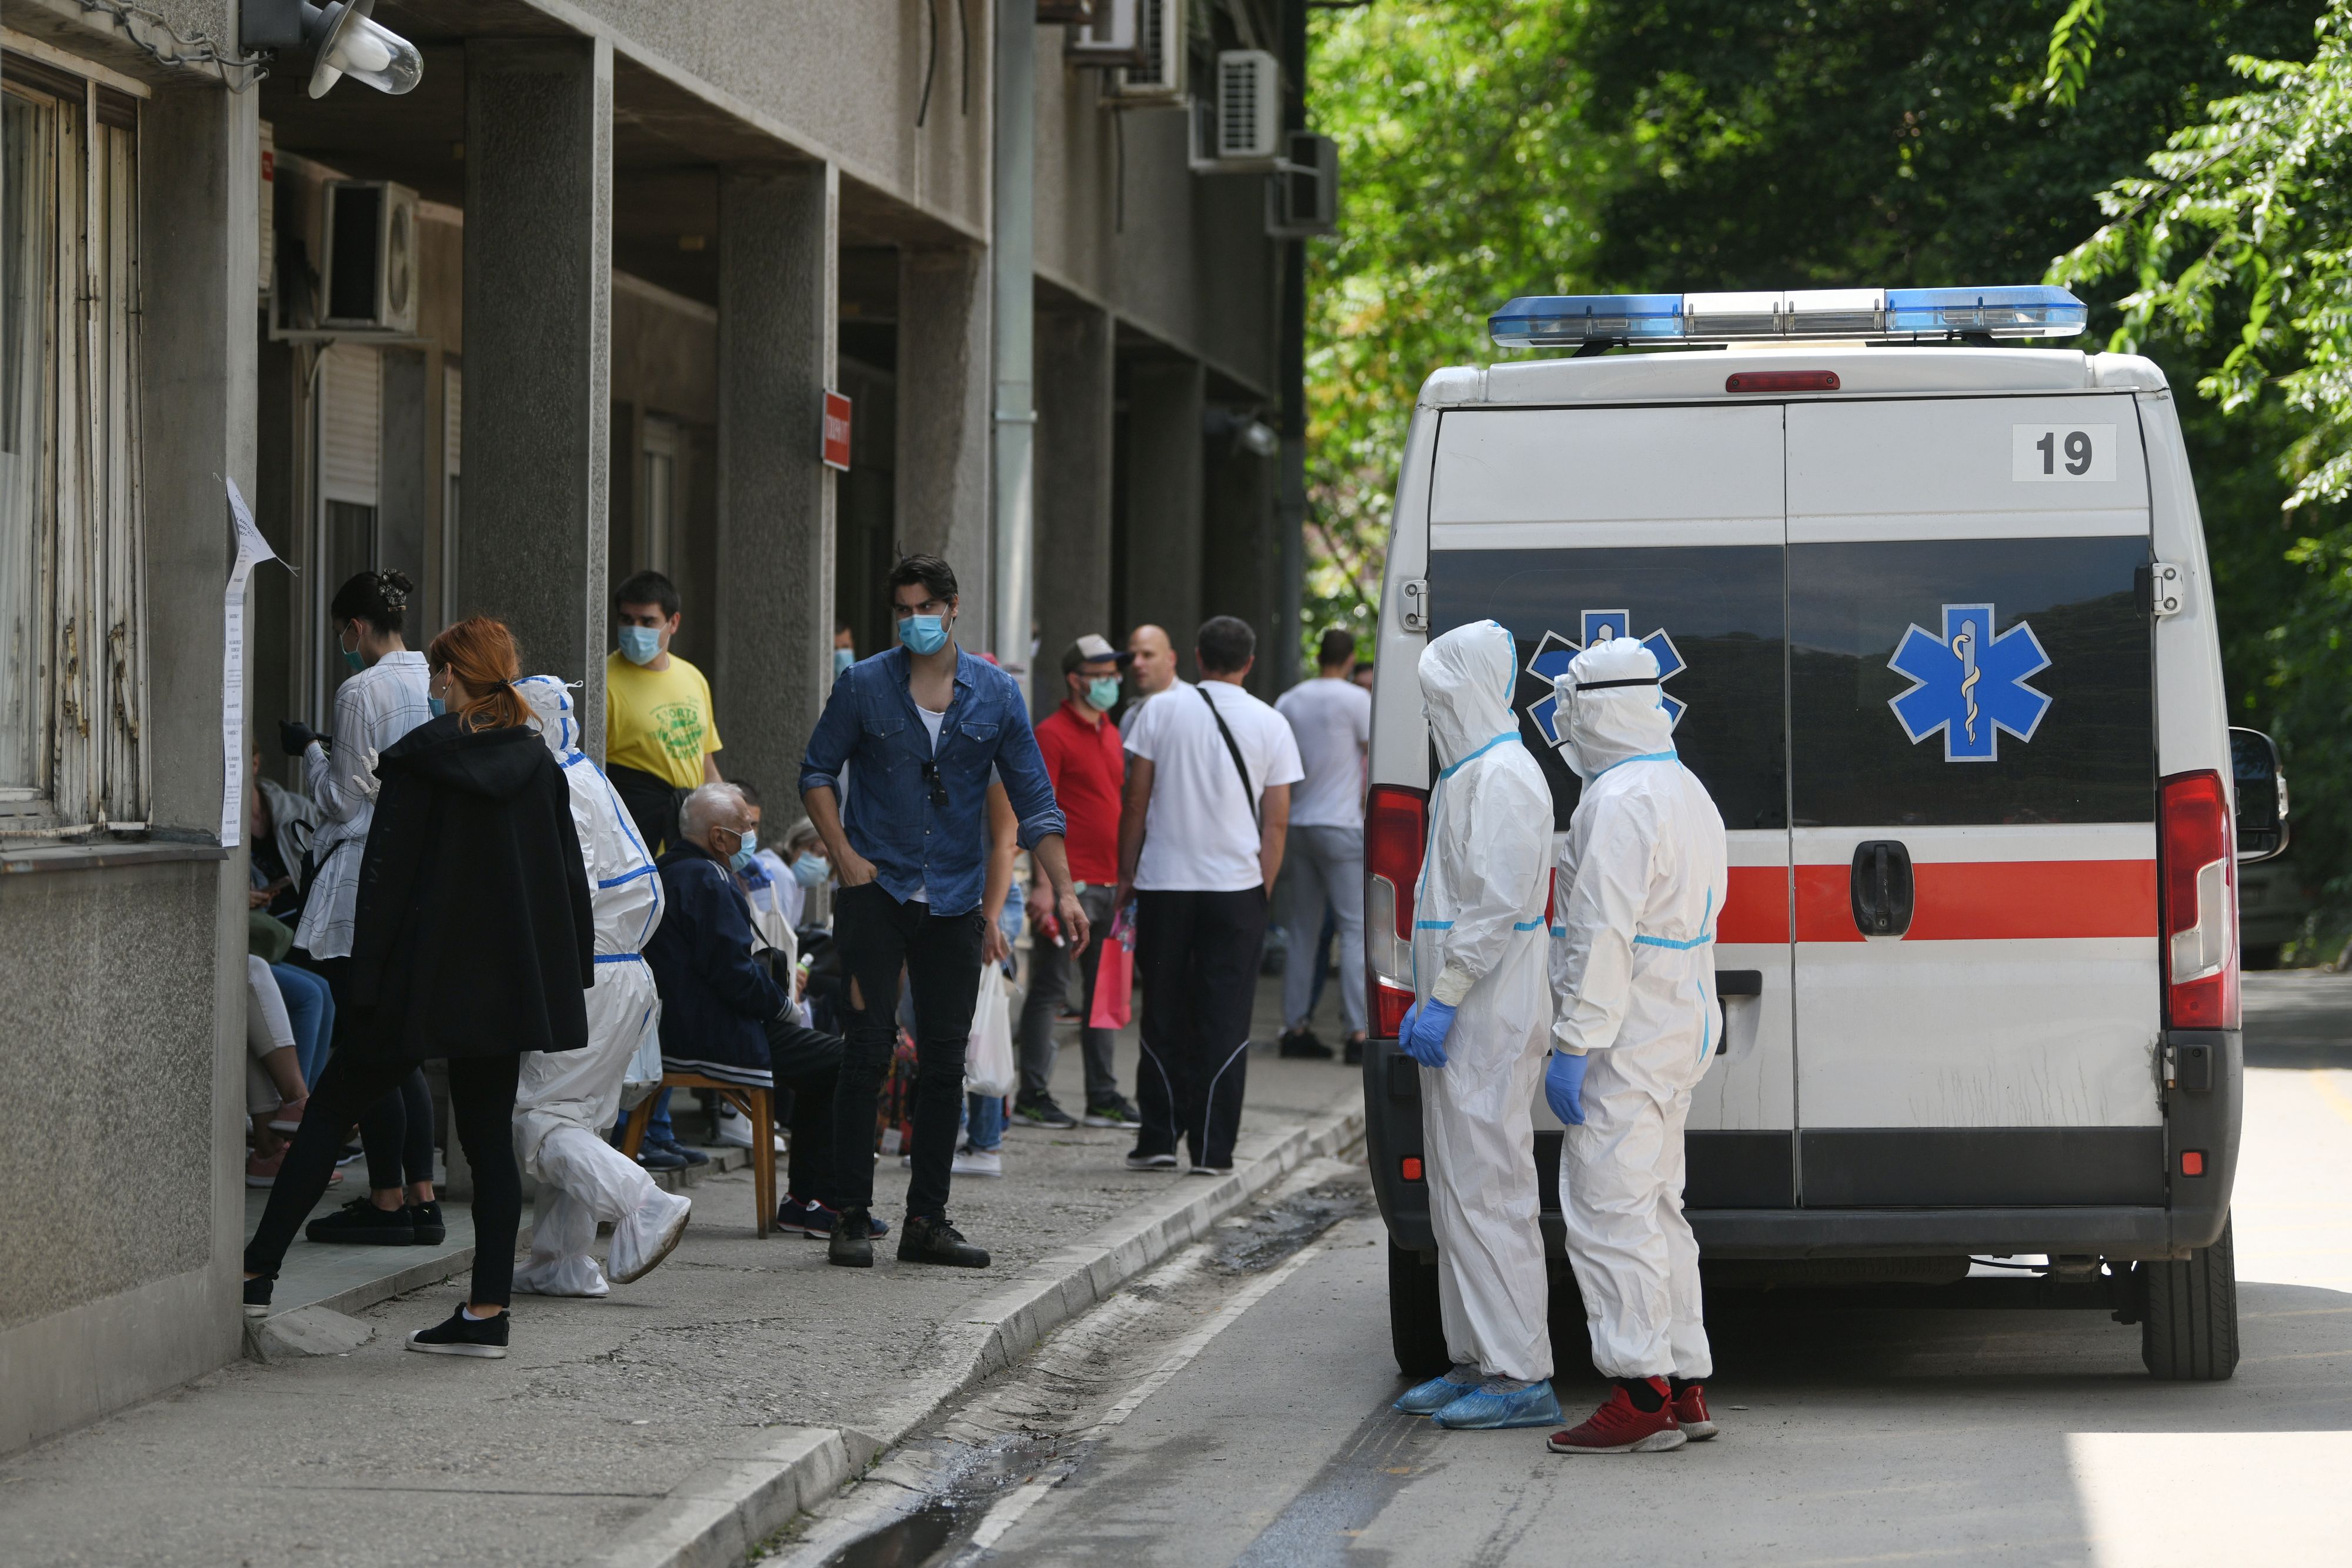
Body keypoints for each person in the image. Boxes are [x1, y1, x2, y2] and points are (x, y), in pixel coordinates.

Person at [244, 617, 596, 1358]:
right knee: (488, 1142)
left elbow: (386, 884)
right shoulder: (540, 768)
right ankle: (487, 1311)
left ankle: (256, 1270)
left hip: (418, 982)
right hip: (503, 987)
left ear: (452, 679)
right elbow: (567, 884)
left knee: (329, 1109)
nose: (433, 685)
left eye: (440, 673)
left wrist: (366, 980)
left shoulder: (418, 765)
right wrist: (565, 979)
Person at [799, 553, 1092, 1270]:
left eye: (924, 607)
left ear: (954, 607)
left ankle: (926, 1219)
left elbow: (1035, 799)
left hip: (955, 900)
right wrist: (843, 854)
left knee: (943, 1059)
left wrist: (1066, 887)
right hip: (876, 893)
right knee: (865, 1050)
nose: (912, 621)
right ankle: (850, 1215)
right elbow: (815, 772)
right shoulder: (864, 682)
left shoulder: (994, 693)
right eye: (901, 609)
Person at [1542, 633, 1730, 1456]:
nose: (1563, 721)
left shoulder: (1615, 800)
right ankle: (1684, 1382)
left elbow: (1601, 933)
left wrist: (1575, 1039)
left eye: (1571, 705)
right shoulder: (1681, 786)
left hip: (1626, 1026)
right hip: (1680, 1017)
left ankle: (1638, 1389)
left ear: (1599, 708)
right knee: (1658, 1205)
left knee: (1606, 1207)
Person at [1386, 622, 1562, 1433]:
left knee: (1491, 1188)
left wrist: (1448, 990)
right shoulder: (1466, 776)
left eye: (1436, 693)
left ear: (1470, 690)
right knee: (1457, 1191)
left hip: (1486, 1016)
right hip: (1458, 1019)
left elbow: (1492, 907)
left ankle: (1520, 1370)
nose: (1428, 708)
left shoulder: (1505, 778)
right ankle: (1476, 1356)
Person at [508, 676, 693, 1298]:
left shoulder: (556, 783)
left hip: (588, 968)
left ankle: (642, 1202)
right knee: (579, 1118)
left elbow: (569, 890)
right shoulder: (585, 773)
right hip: (623, 970)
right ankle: (562, 1261)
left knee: (542, 1118)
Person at [279, 569, 441, 1247]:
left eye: (342, 631)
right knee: (401, 1048)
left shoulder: (360, 688)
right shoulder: (431, 677)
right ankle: (421, 1196)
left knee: (365, 1044)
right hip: (413, 870)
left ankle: (384, 1199)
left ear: (354, 627)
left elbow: (343, 799)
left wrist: (310, 751)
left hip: (358, 879)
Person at [1114, 616, 1301, 1176]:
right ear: (1249, 662)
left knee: (1164, 1010)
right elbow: (1276, 826)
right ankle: (1214, 1150)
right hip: (1235, 891)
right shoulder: (1271, 723)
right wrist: (1259, 890)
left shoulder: (1158, 711)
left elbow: (1135, 802)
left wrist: (1127, 874)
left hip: (1165, 885)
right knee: (1224, 1017)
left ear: (1196, 657)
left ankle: (1157, 1138)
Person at [646, 783, 863, 1239]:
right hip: (710, 1032)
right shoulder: (708, 877)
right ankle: (820, 1202)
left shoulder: (668, 869)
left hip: (674, 1027)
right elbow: (732, 972)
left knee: (826, 1065)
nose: (752, 835)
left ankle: (805, 1200)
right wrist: (782, 1006)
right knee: (850, 1061)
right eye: (745, 826)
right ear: (719, 837)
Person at [1013, 635, 1140, 1132]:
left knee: (1105, 993)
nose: (1111, 681)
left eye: (1115, 672)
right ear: (1075, 679)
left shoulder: (1110, 730)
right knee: (1049, 988)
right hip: (1072, 885)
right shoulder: (1051, 733)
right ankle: (1033, 1094)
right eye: (1101, 673)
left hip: (1111, 884)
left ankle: (1103, 1095)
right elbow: (1036, 811)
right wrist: (1046, 887)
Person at [1274, 627, 1373, 1065]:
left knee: (1302, 930)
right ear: (1351, 659)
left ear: (1318, 656)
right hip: (1342, 826)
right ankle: (1356, 1033)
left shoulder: (1290, 700)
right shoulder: (1357, 700)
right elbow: (1373, 756)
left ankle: (1294, 1027)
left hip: (1298, 823)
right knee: (1353, 930)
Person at [605, 569, 723, 857]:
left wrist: (729, 815)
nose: (635, 630)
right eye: (626, 619)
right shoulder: (602, 682)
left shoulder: (693, 677)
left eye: (647, 621)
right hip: (633, 845)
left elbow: (705, 763)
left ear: (673, 623)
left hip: (688, 841)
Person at [1119, 623, 1179, 725]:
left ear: (1171, 659)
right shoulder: (1129, 718)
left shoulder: (1194, 706)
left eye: (1148, 655)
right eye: (1132, 657)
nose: (1136, 664)